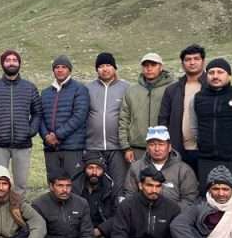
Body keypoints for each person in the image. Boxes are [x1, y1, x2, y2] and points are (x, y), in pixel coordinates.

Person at [0, 49, 41, 195]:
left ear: (19, 64)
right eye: (8, 60)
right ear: (2, 64)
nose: (11, 63)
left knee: (20, 185)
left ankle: (17, 214)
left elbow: (37, 113)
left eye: (14, 60)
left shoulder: (30, 88)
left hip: (23, 144)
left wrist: (31, 131)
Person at [194, 58, 232, 203]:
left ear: (229, 76)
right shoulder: (198, 98)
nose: (215, 76)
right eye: (211, 72)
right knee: (208, 199)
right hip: (206, 159)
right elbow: (194, 128)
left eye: (220, 72)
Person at [109, 167, 192, 238]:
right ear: (140, 185)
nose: (154, 190)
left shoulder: (172, 207)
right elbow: (118, 235)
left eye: (158, 186)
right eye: (149, 185)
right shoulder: (127, 205)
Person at [33, 174, 111, 238]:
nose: (65, 190)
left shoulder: (81, 203)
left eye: (68, 186)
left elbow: (87, 233)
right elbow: (42, 235)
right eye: (60, 186)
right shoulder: (39, 204)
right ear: (51, 186)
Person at [159, 44, 206, 177]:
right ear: (183, 63)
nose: (192, 62)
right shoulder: (172, 90)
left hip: (206, 151)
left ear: (203, 61)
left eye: (196, 58)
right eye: (188, 59)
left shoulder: (211, 86)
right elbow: (163, 119)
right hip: (178, 150)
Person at [39, 55, 89, 180]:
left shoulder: (79, 89)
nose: (60, 70)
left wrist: (57, 135)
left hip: (72, 147)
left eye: (64, 67)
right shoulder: (45, 93)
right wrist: (46, 136)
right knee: (54, 184)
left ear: (69, 70)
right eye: (56, 67)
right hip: (51, 148)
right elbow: (39, 117)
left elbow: (79, 116)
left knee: (74, 185)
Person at [123, 126, 198, 209]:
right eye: (152, 144)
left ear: (169, 147)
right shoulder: (136, 167)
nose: (157, 149)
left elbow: (190, 200)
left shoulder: (184, 170)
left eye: (161, 144)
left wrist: (170, 214)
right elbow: (129, 196)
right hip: (142, 216)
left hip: (174, 218)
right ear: (147, 148)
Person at [119, 52, 174, 163]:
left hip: (163, 148)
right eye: (146, 65)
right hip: (137, 149)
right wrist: (126, 147)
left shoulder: (172, 88)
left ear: (161, 67)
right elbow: (124, 119)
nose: (149, 68)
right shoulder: (131, 90)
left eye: (153, 65)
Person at [85, 52, 130, 184]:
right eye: (101, 66)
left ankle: (117, 205)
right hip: (93, 146)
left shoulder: (126, 88)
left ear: (114, 68)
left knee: (118, 183)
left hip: (117, 147)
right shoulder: (88, 88)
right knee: (96, 183)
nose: (105, 69)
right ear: (96, 70)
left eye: (108, 65)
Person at [71, 152, 117, 238]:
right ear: (84, 169)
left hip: (100, 231)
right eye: (90, 168)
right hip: (78, 231)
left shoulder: (110, 188)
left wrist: (100, 230)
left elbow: (118, 215)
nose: (94, 172)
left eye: (98, 168)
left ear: (103, 170)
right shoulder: (74, 187)